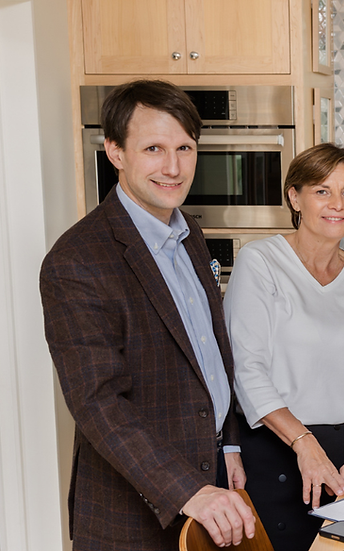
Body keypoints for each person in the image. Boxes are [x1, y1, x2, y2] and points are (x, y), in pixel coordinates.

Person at [39, 80, 255, 550]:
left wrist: (229, 442)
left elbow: (211, 354)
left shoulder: (190, 235)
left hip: (212, 475)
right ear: (115, 151)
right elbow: (98, 403)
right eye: (153, 148)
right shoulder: (77, 260)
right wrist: (189, 491)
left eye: (184, 147)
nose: (173, 167)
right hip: (134, 509)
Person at [223, 143, 344, 551]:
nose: (337, 204)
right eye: (322, 190)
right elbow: (246, 371)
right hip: (278, 449)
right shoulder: (260, 262)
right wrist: (305, 445)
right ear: (294, 197)